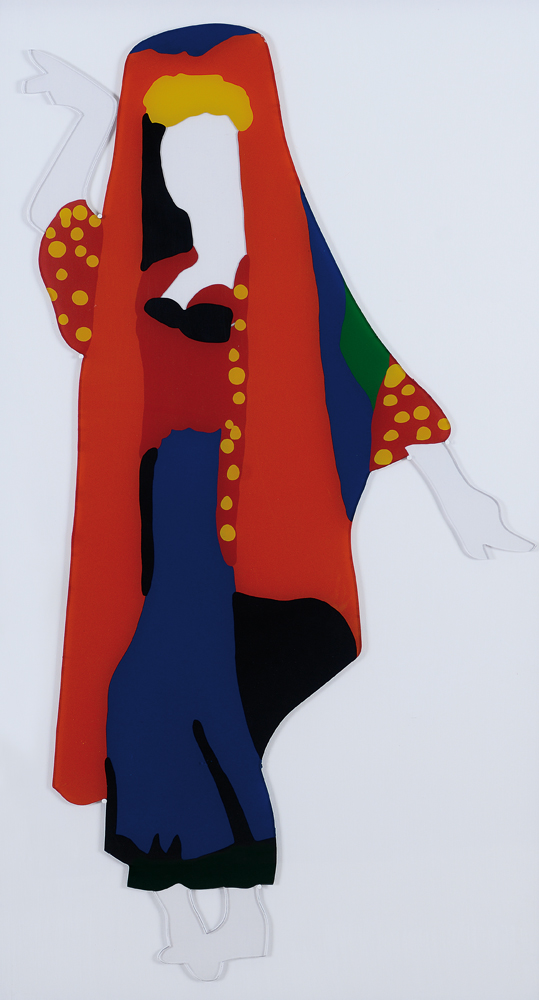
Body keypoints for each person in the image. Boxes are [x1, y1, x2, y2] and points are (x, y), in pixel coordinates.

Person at [25, 24, 533, 981]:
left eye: (216, 149)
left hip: (253, 558)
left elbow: (373, 375)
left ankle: (222, 919)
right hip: (163, 541)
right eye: (172, 151)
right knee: (151, 711)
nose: (193, 170)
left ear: (252, 157)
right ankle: (209, 925)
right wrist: (96, 119)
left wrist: (459, 496)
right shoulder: (142, 280)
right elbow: (51, 225)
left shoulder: (290, 288)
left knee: (181, 712)